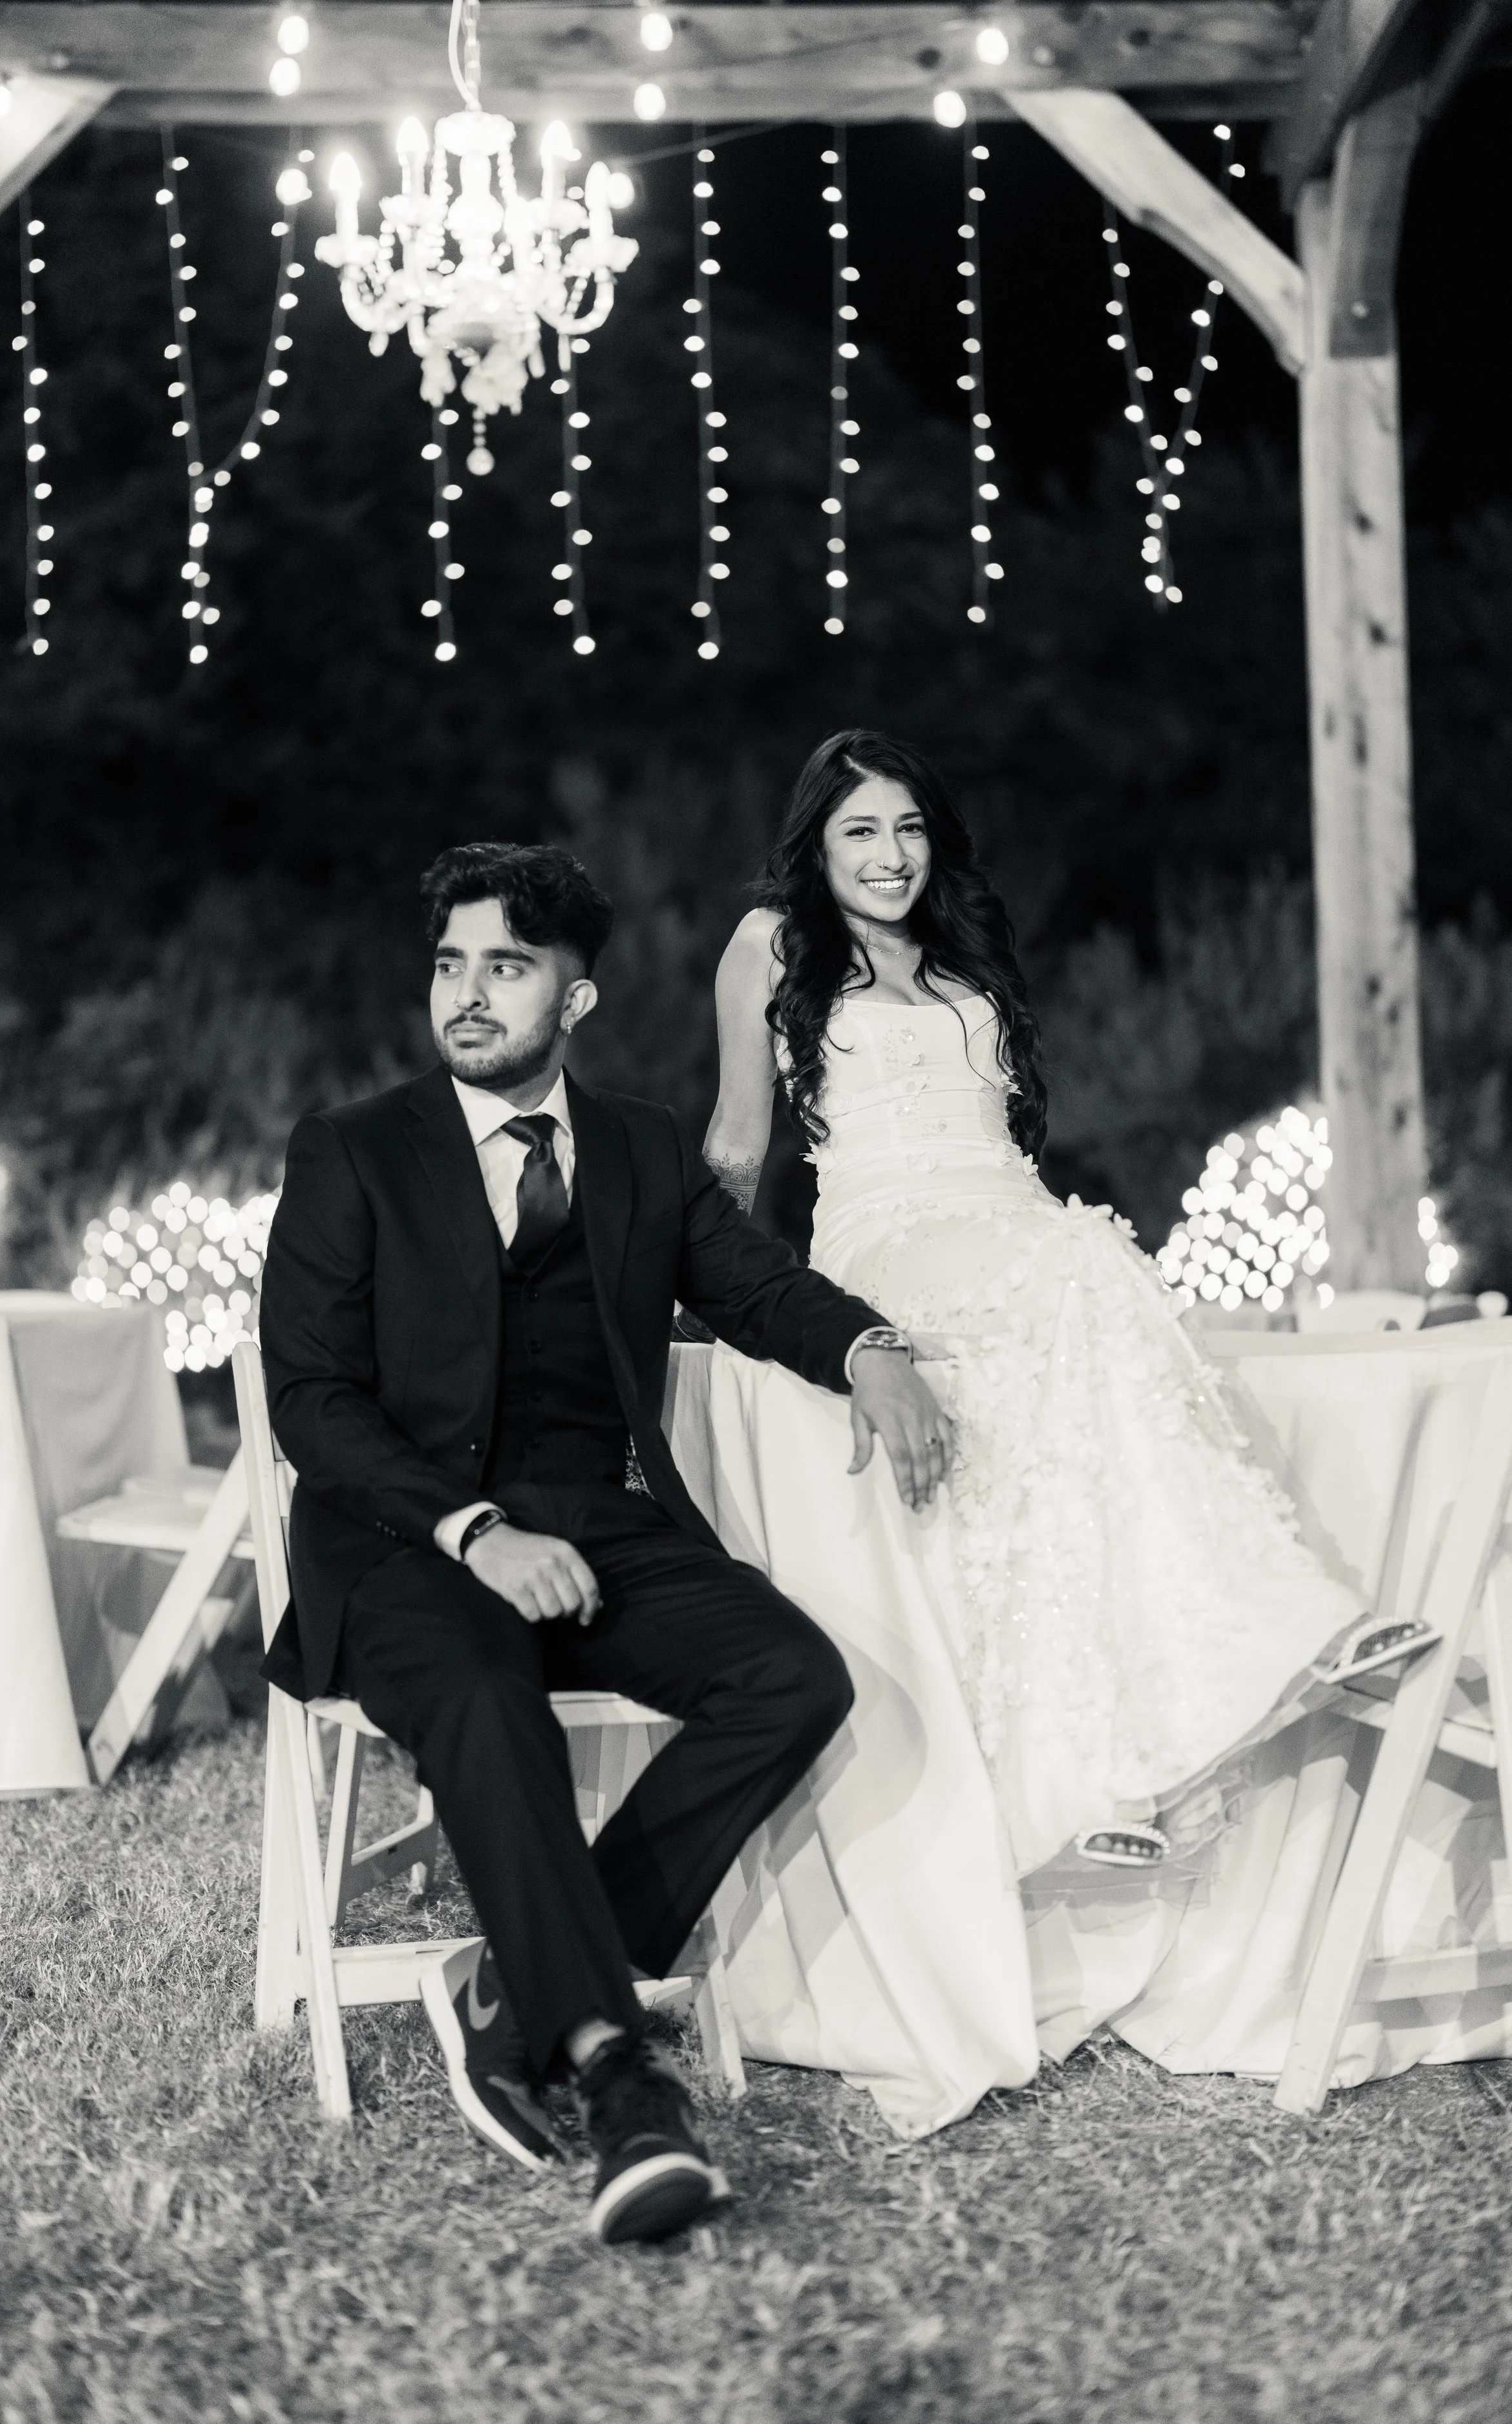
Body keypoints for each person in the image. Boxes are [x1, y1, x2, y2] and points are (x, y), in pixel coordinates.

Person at [691, 729, 1436, 2135]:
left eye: (908, 828)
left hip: (1013, 1229)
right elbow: (738, 1142)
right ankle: (1249, 1642)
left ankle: (1107, 1765)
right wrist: (707, 1288)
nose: (890, 856)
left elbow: (1008, 1148)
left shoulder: (964, 961)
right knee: (1090, 1265)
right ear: (816, 846)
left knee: (1087, 1312)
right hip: (887, 1237)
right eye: (860, 832)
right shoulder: (768, 948)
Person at [257, 839, 946, 2244]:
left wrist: (868, 1347)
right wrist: (471, 1530)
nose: (467, 992)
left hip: (600, 1529)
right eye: (450, 963)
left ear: (574, 999)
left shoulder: (638, 1145)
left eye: (506, 967)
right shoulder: (355, 1149)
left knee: (792, 1676)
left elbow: (756, 1288)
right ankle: (614, 2072)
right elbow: (310, 1401)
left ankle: (512, 1995)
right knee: (479, 1685)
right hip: (403, 1542)